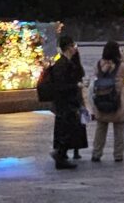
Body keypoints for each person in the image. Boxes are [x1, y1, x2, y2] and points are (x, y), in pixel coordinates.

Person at [49, 35, 86, 170]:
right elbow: (61, 86)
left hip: (66, 102)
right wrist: (77, 86)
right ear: (69, 47)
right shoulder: (63, 64)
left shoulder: (64, 63)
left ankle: (61, 155)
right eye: (73, 46)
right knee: (67, 129)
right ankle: (60, 155)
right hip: (66, 103)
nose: (75, 48)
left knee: (67, 129)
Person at [89, 40, 124, 163]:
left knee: (100, 129)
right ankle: (118, 155)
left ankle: (96, 153)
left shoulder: (98, 65)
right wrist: (123, 58)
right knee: (119, 130)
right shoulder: (121, 67)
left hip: (101, 101)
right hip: (117, 102)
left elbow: (95, 74)